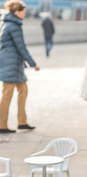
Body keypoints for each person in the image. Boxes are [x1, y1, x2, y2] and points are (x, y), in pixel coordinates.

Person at [0, 0, 39, 133]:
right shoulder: (13, 25)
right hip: (10, 65)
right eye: (23, 11)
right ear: (17, 12)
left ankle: (22, 122)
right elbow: (21, 47)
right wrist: (33, 64)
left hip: (14, 65)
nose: (24, 14)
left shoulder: (8, 23)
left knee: (23, 90)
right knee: (7, 94)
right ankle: (1, 125)